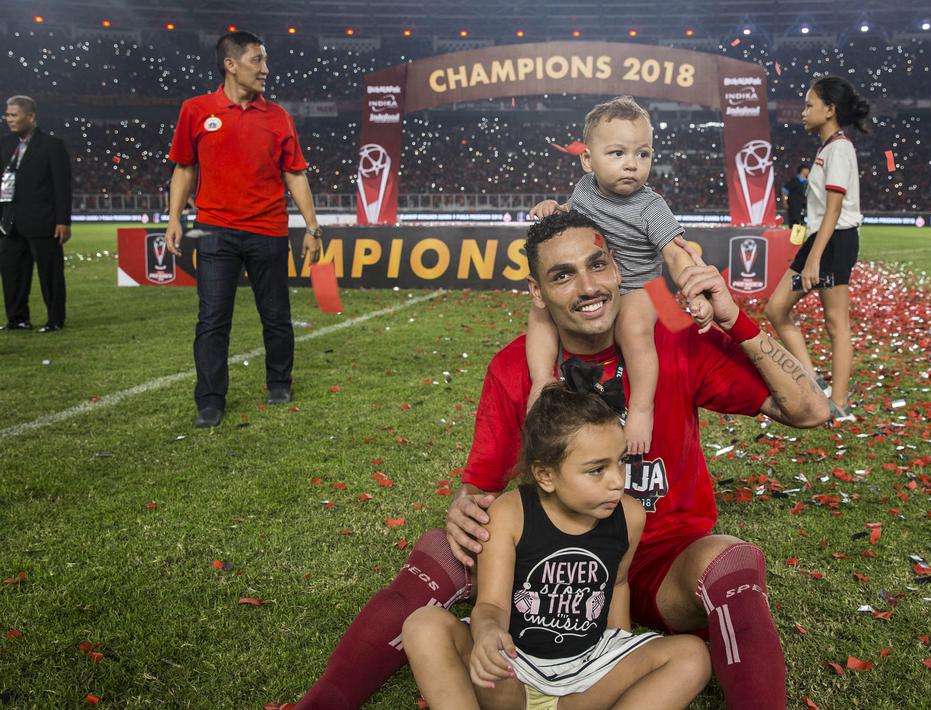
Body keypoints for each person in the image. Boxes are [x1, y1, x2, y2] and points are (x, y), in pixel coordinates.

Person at [298, 210, 829, 710]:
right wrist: (467, 506)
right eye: (563, 275)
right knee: (442, 550)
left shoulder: (676, 340)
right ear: (537, 291)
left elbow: (809, 410)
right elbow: (482, 490)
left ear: (618, 267)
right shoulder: (514, 368)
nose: (589, 287)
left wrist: (736, 320)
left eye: (598, 265)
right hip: (548, 571)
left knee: (731, 560)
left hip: (663, 560)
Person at [403, 384, 710, 710]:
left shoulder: (630, 515)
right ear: (545, 475)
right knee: (423, 625)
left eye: (621, 461)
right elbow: (491, 603)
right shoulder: (510, 514)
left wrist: (619, 652)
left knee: (692, 655)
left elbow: (618, 584)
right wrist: (488, 633)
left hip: (586, 679)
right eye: (597, 470)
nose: (617, 481)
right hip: (512, 670)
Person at [526, 96, 713, 456]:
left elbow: (675, 253)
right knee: (540, 312)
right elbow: (571, 214)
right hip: (601, 282)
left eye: (643, 154)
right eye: (617, 153)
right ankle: (541, 381)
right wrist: (555, 208)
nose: (632, 164)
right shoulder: (584, 189)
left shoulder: (651, 206)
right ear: (588, 160)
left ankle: (641, 409)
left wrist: (695, 290)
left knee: (633, 329)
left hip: (642, 285)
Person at [165, 31, 324, 428]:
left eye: (265, 60)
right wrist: (173, 218)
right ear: (230, 65)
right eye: (257, 60)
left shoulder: (278, 116)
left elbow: (295, 173)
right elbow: (184, 168)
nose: (265, 69)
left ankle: (279, 382)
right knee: (212, 319)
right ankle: (210, 400)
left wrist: (312, 227)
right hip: (214, 231)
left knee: (276, 314)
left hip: (268, 230)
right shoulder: (195, 110)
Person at [765, 76, 869, 424]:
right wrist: (811, 253)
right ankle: (812, 380)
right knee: (776, 308)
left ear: (830, 110)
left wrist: (813, 260)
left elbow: (834, 211)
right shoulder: (827, 149)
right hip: (820, 240)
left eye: (809, 105)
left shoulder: (840, 149)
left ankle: (839, 404)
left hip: (835, 241)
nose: (803, 111)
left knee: (836, 323)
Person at [0, 95, 71, 333]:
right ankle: (17, 319)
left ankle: (55, 319)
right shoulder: (4, 145)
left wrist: (63, 220)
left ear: (30, 116)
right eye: (7, 115)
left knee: (50, 274)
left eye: (14, 115)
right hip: (10, 223)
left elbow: (62, 186)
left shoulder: (52, 145)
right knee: (11, 272)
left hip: (43, 221)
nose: (9, 119)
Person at [782, 164, 809, 229]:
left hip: (802, 206)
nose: (809, 171)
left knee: (801, 223)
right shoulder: (795, 180)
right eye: (807, 169)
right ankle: (793, 234)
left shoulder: (806, 181)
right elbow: (784, 190)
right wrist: (785, 202)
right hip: (794, 206)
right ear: (803, 170)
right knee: (794, 222)